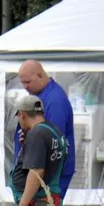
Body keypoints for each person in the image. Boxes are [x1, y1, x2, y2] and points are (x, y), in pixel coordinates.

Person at [14, 60, 76, 198]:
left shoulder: (55, 102)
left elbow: (52, 145)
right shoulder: (42, 97)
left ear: (40, 75)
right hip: (38, 173)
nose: (25, 86)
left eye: (28, 82)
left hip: (48, 177)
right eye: (22, 82)